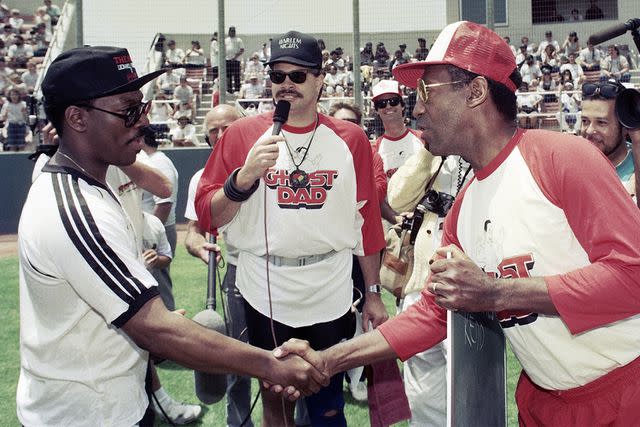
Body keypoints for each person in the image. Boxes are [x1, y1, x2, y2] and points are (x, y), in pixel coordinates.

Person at [276, 21, 640, 425]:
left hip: (626, 393)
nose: (415, 108)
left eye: (425, 93)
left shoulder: (561, 158)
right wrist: (327, 359)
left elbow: (632, 277)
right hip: (544, 401)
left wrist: (498, 294)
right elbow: (433, 312)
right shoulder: (464, 206)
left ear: (476, 91)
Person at [16, 45, 328, 427]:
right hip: (85, 414)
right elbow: (155, 329)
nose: (142, 123)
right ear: (77, 118)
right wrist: (270, 364)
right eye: (127, 111)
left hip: (115, 400)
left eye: (142, 108)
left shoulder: (99, 187)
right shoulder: (74, 209)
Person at [195, 31, 388, 426]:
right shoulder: (241, 134)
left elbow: (366, 222)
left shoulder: (350, 139)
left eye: (298, 76)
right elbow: (208, 216)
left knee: (328, 398)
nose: (287, 84)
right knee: (276, 399)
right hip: (265, 285)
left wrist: (372, 294)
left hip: (330, 284)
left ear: (320, 79)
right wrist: (244, 176)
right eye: (278, 75)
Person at [184, 104, 256, 427]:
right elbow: (192, 233)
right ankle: (238, 422)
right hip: (238, 273)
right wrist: (199, 246)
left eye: (228, 126)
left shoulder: (266, 162)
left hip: (280, 271)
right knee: (236, 354)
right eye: (214, 129)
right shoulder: (201, 178)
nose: (221, 134)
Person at [371, 79, 425, 224]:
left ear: (402, 105)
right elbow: (377, 194)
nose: (388, 106)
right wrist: (396, 218)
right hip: (390, 222)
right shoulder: (374, 150)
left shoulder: (423, 140)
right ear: (376, 110)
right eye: (381, 104)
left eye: (393, 101)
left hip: (423, 219)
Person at [581, 79, 637, 202]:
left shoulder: (635, 173)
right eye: (585, 121)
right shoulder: (573, 165)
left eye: (601, 123)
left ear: (625, 128)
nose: (589, 131)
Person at [225, 26, 245, 94]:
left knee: (236, 75)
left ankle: (237, 90)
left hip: (236, 60)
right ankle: (229, 90)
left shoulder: (239, 40)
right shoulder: (226, 40)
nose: (232, 32)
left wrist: (235, 57)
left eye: (233, 31)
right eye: (231, 31)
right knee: (228, 76)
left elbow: (242, 50)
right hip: (227, 60)